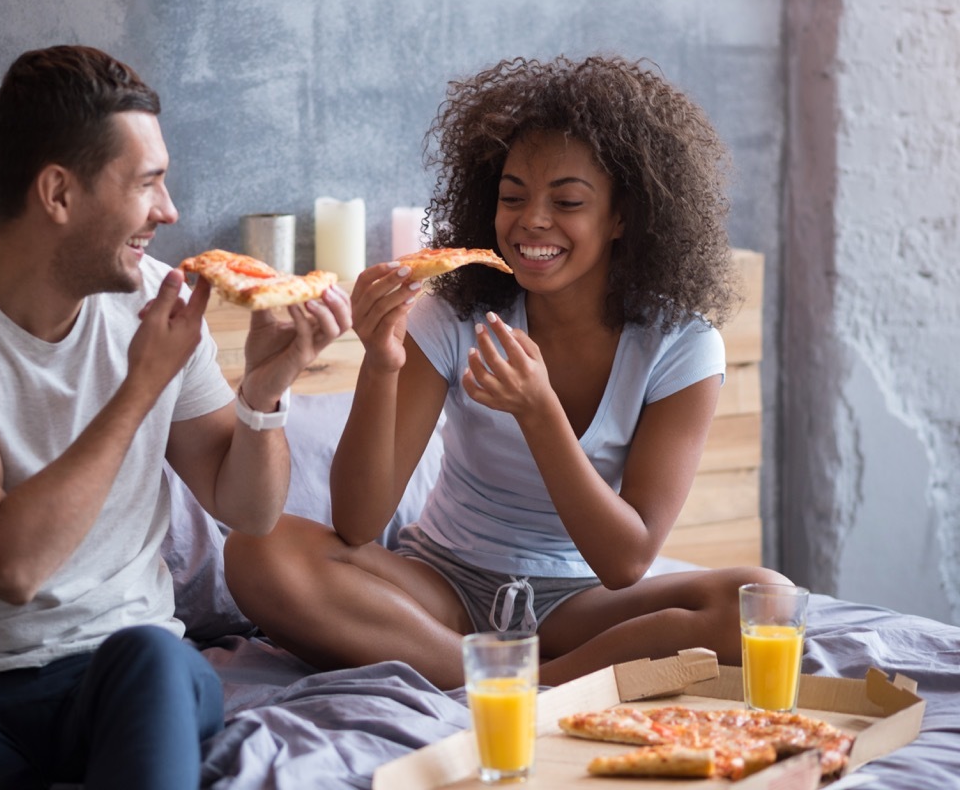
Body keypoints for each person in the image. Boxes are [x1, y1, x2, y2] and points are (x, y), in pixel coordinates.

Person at [0, 45, 351, 790]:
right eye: (147, 183)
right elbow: (10, 566)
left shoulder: (158, 301)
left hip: (132, 666)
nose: (170, 211)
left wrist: (265, 393)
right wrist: (142, 383)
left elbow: (246, 509)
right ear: (58, 193)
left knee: (148, 656)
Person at [224, 55, 788, 691]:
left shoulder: (682, 345)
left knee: (762, 598)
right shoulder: (453, 313)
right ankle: (533, 686)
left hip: (581, 605)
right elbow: (357, 525)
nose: (533, 221)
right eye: (512, 196)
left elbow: (627, 561)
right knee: (256, 551)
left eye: (567, 200)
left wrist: (538, 411)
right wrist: (382, 363)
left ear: (623, 216)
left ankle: (504, 679)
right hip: (440, 585)